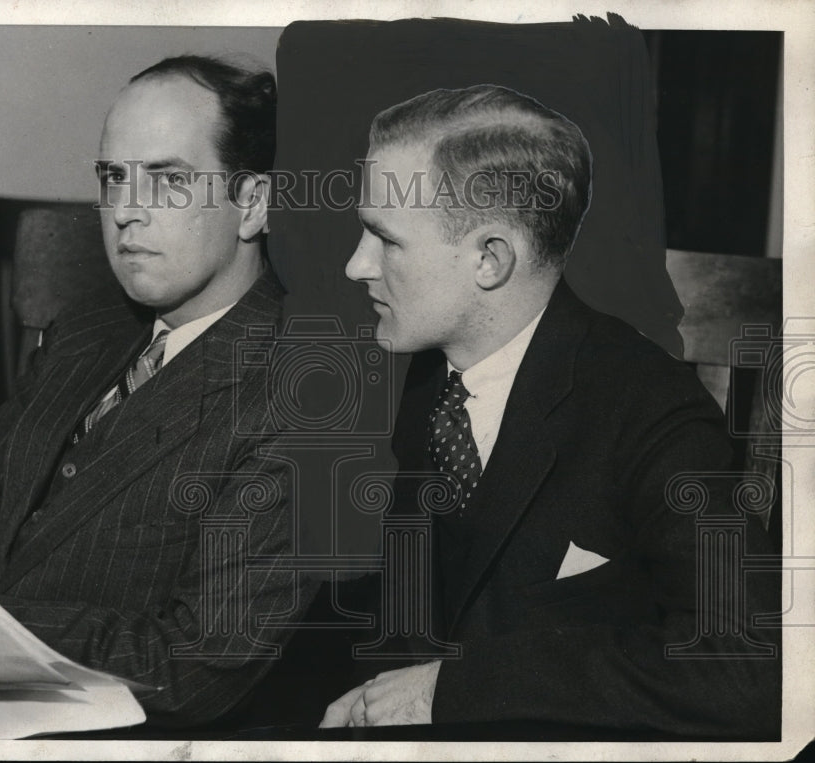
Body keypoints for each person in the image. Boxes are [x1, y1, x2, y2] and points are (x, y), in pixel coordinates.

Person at [0, 55, 316, 733]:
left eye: (168, 180)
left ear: (254, 205)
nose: (125, 212)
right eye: (113, 177)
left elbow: (200, 661)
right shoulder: (87, 329)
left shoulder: (303, 389)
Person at [321, 84, 780, 736]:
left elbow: (750, 666)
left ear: (490, 259)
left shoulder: (652, 412)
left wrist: (456, 688)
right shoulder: (433, 376)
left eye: (383, 238)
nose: (354, 264)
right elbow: (426, 605)